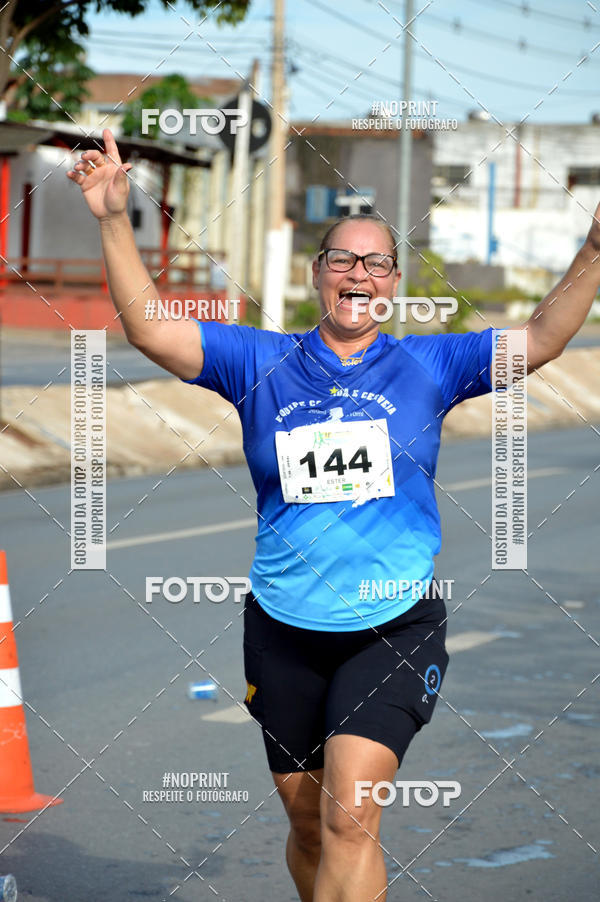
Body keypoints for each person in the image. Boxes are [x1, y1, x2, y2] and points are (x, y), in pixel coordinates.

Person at [68, 129, 600, 901]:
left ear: (392, 283)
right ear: (317, 274)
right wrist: (114, 219)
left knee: (352, 817)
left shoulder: (429, 365)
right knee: (311, 823)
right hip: (283, 626)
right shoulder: (259, 361)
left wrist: (592, 248)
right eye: (343, 259)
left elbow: (545, 337)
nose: (359, 273)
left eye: (376, 261)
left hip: (393, 625)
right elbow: (150, 326)